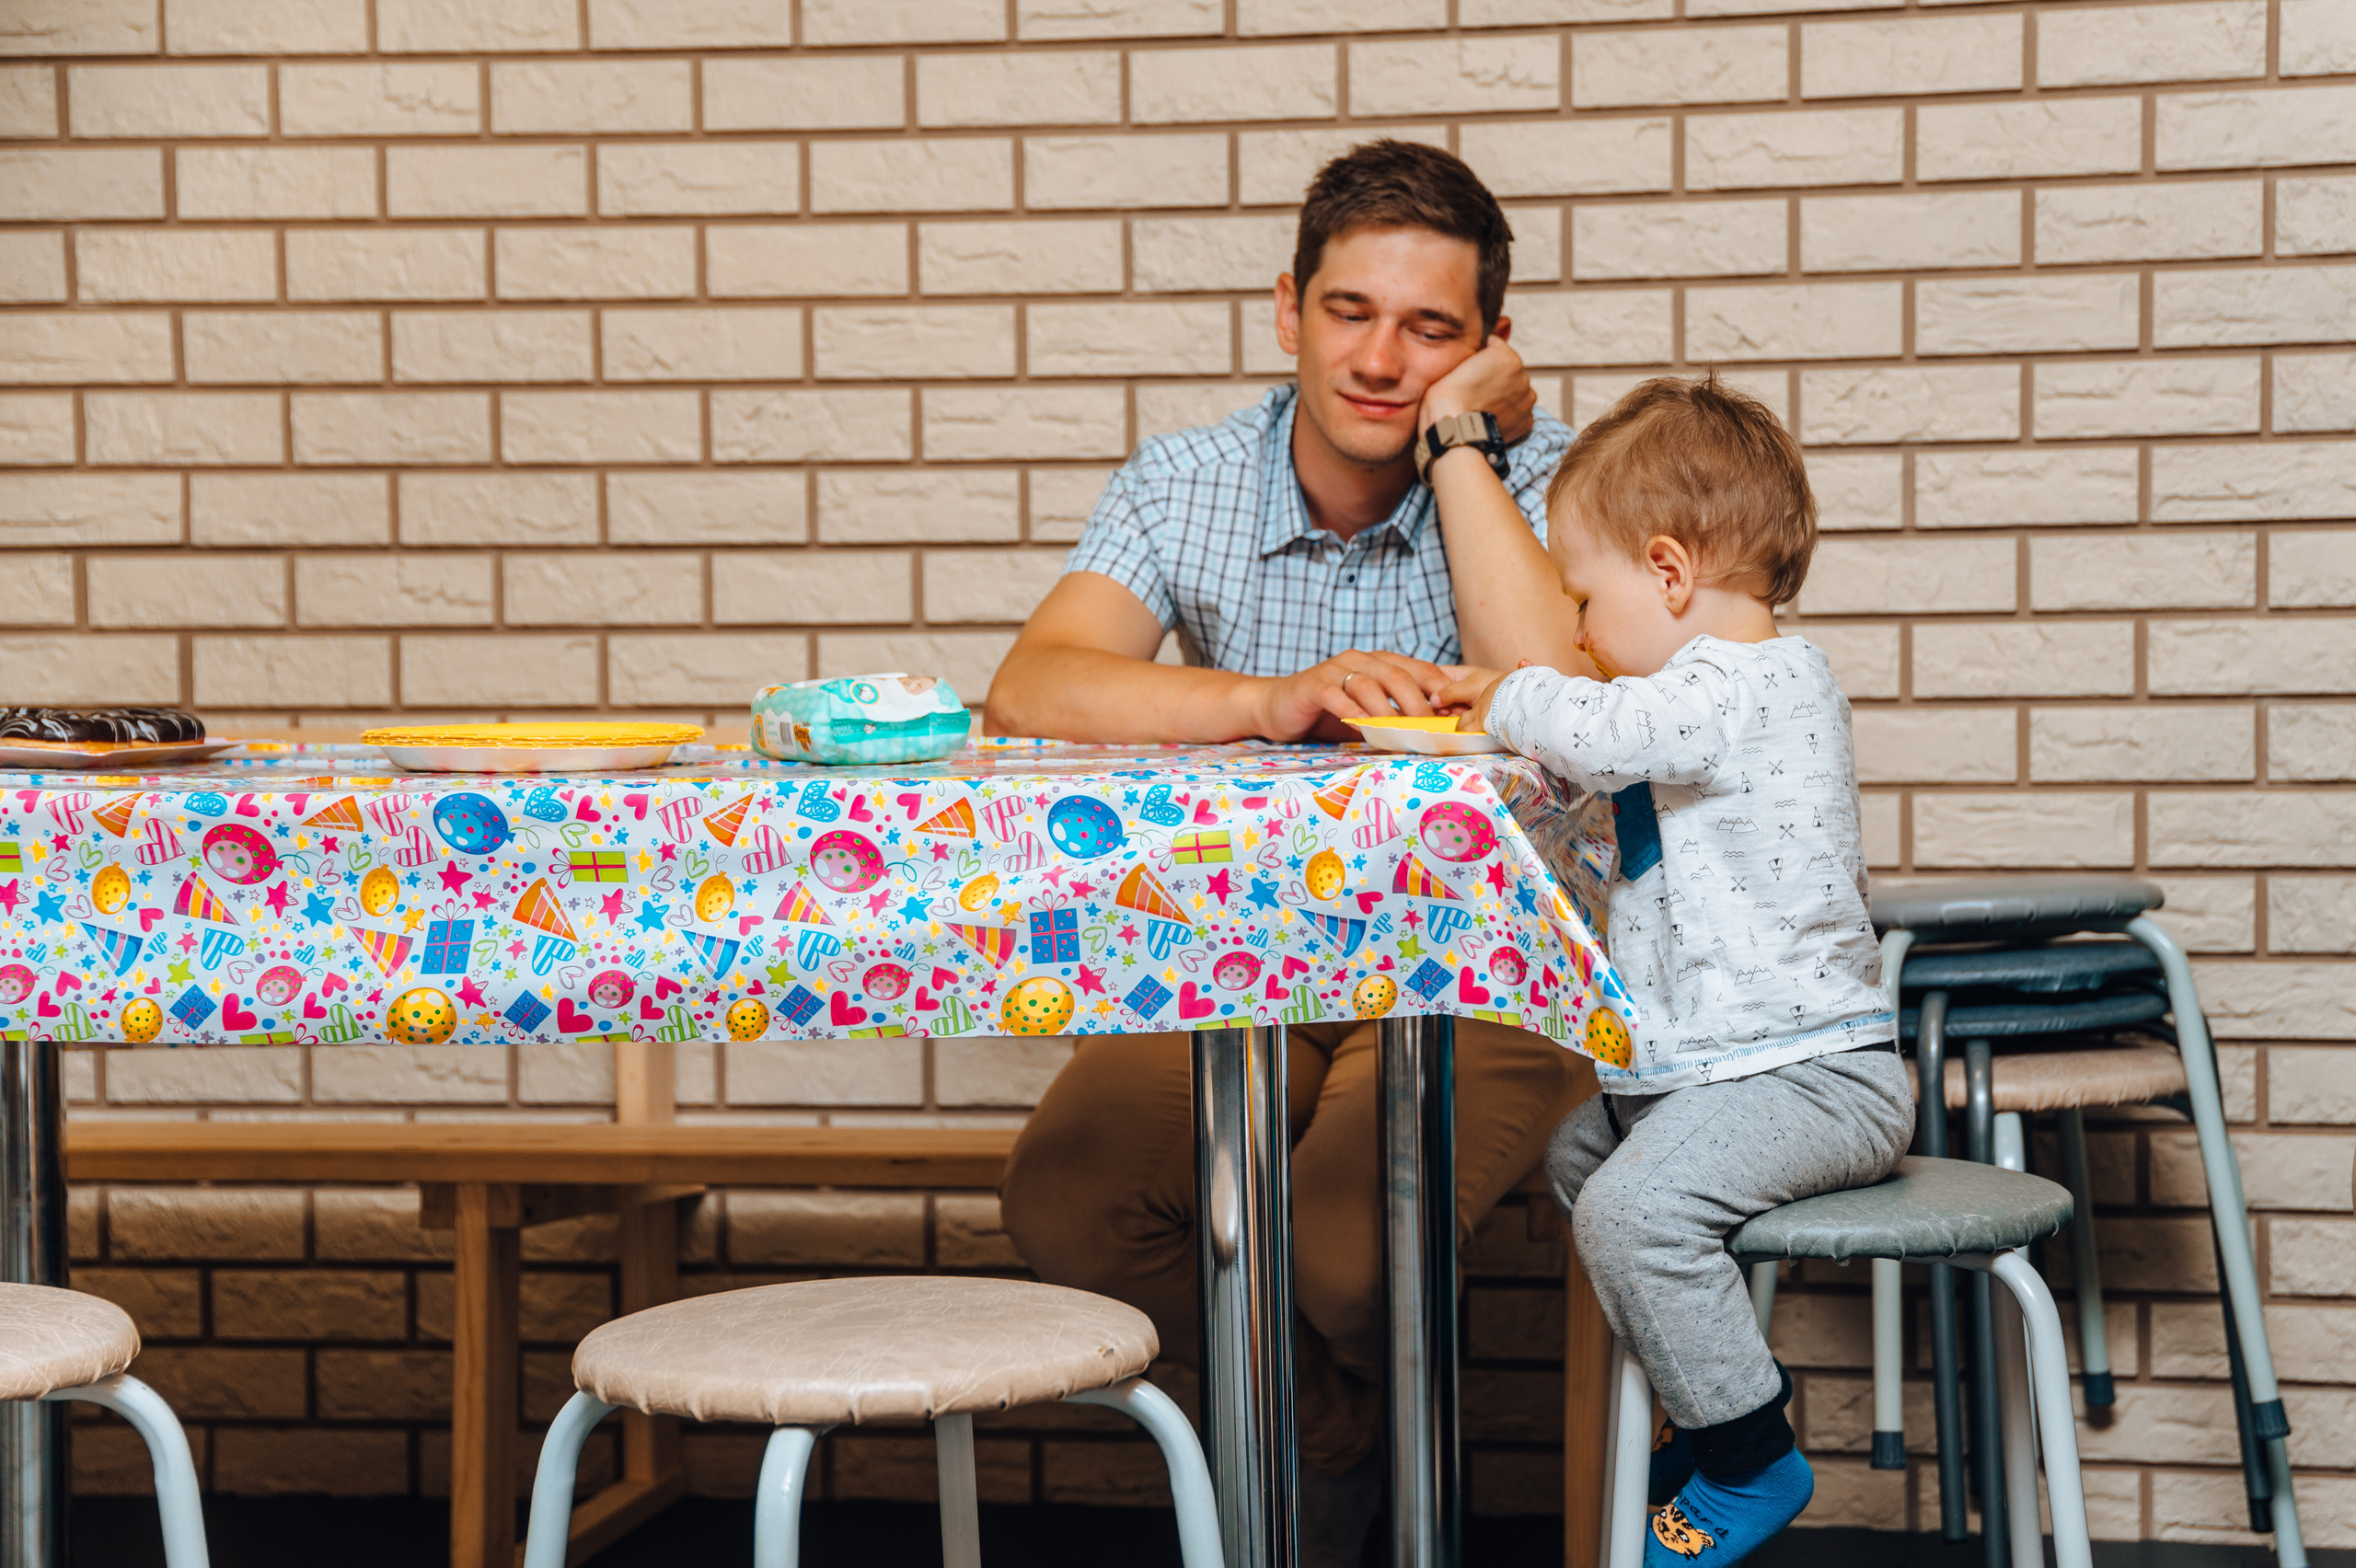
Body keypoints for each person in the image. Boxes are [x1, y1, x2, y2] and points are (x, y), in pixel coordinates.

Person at [987, 140, 1595, 1562]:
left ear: (1488, 349)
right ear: (1288, 308)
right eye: (1349, 311)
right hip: (1245, 960)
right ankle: (1329, 1435)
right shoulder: (1188, 478)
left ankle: (1356, 1482)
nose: (1381, 357)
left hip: (1483, 965)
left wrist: (1462, 449)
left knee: (1341, 1242)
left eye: (1430, 330)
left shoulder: (1556, 469)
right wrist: (1273, 704)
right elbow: (1035, 683)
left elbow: (1562, 699)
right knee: (1069, 1199)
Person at [1439, 376, 1911, 1566]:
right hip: (1729, 1073)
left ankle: (1752, 1459)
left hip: (1814, 1080)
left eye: (1584, 598)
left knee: (1635, 1209)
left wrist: (1507, 692)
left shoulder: (1747, 682)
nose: (1582, 632)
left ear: (1668, 572)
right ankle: (1715, 1404)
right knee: (1580, 1153)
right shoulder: (1704, 694)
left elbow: (1599, 735)